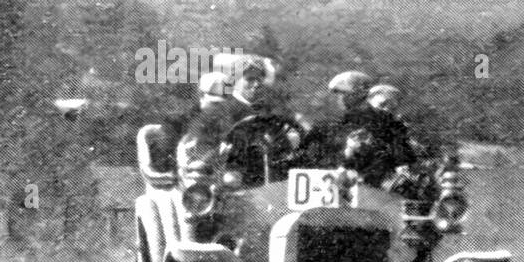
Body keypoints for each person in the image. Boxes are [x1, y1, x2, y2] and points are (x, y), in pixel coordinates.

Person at [176, 57, 299, 186]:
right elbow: (197, 148)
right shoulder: (216, 113)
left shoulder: (269, 112)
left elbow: (288, 142)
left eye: (259, 79)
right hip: (227, 187)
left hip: (269, 187)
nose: (256, 84)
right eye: (250, 79)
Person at [299, 71, 420, 187]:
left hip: (372, 191)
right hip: (325, 185)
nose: (337, 98)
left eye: (341, 94)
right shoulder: (326, 126)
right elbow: (306, 155)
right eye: (337, 94)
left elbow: (402, 159)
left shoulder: (384, 121)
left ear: (355, 95)